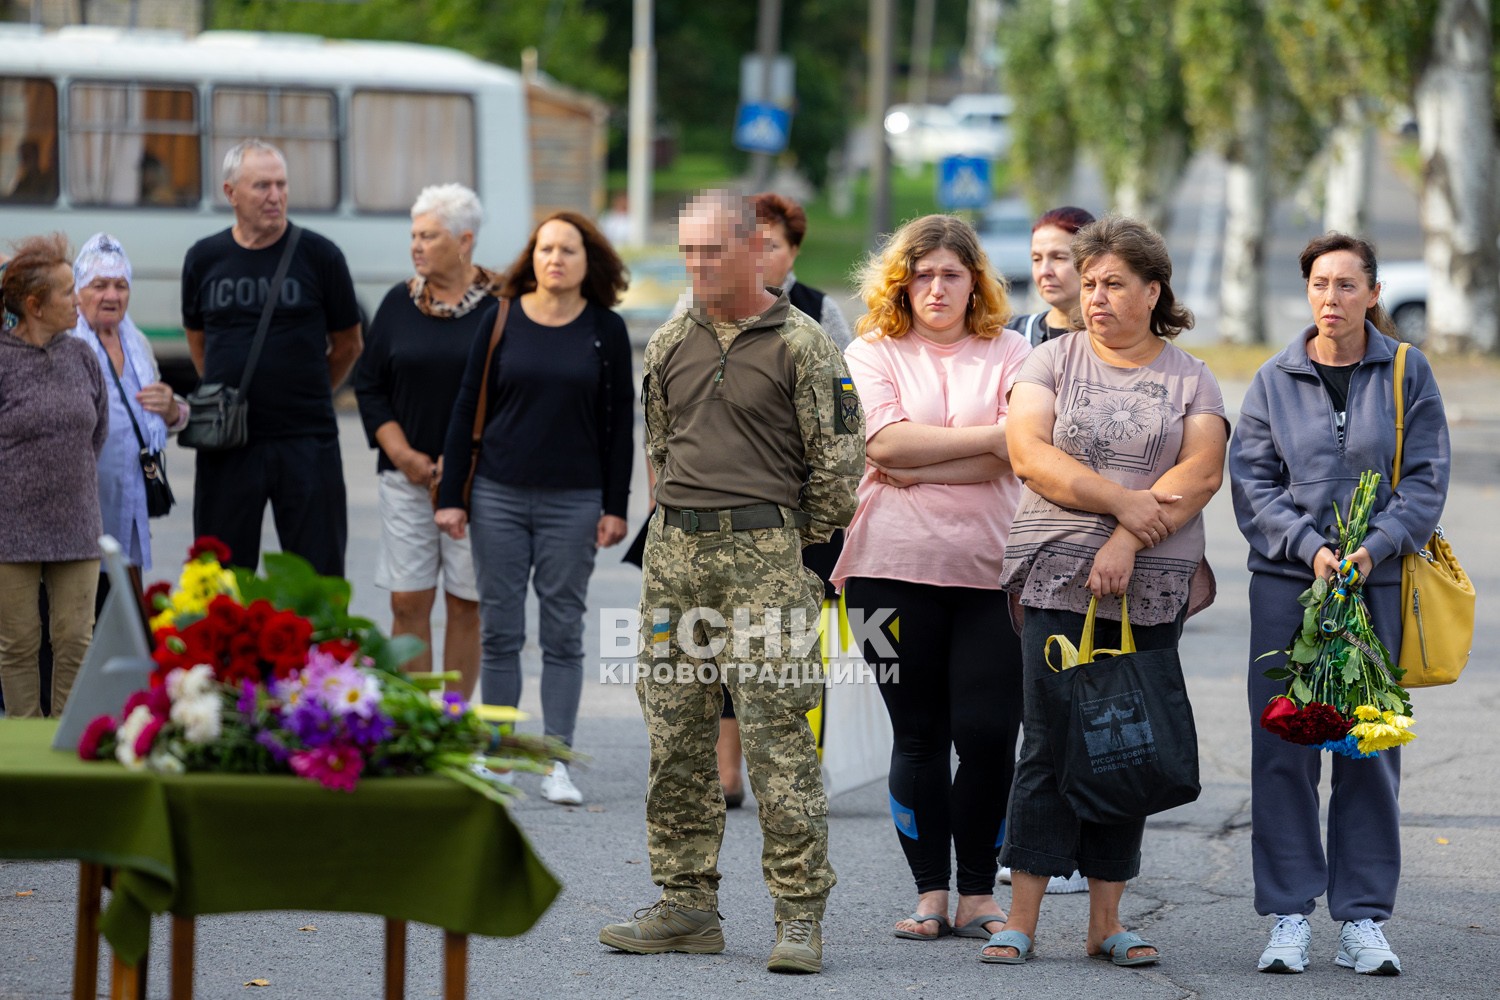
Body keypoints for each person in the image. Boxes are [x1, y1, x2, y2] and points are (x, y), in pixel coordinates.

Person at [596, 190, 863, 975]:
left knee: (779, 739)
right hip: (674, 562)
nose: (697, 264)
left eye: (711, 250)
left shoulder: (804, 343)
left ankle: (799, 916)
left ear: (752, 248)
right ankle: (686, 905)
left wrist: (781, 545)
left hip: (765, 561)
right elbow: (661, 447)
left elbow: (839, 470)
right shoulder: (670, 339)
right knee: (675, 736)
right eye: (686, 250)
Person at [991, 216, 1228, 967]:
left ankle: (1106, 924)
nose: (1095, 297)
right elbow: (1029, 455)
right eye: (1089, 283)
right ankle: (1020, 921)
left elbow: (1202, 471)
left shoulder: (1191, 376)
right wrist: (1123, 504)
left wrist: (1128, 538)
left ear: (1153, 291)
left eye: (1114, 284)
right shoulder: (1051, 361)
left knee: (1124, 745)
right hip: (1058, 580)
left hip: (1149, 587)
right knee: (1047, 743)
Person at [1228, 233, 1448, 977]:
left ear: (1373, 294)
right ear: (1307, 292)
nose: (1332, 298)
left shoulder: (1408, 371)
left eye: (1347, 285)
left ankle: (1362, 918)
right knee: (1285, 750)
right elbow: (1253, 483)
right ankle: (1289, 913)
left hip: (1375, 587)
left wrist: (1374, 547)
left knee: (1369, 752)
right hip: (1287, 587)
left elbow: (1426, 478)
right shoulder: (1273, 378)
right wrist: (1308, 547)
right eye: (1320, 284)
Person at [831, 214, 1030, 944]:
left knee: (988, 735)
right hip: (888, 569)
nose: (936, 288)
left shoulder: (1013, 350)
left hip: (992, 572)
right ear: (900, 284)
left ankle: (978, 893)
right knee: (917, 734)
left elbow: (1022, 450)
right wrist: (989, 442)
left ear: (976, 281)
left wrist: (922, 462)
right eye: (921, 275)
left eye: (951, 273)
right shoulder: (870, 350)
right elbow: (882, 443)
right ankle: (931, 894)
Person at [435, 211, 633, 806]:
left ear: (587, 261)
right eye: (546, 249)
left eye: (568, 250)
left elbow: (618, 427)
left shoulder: (605, 329)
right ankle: (498, 756)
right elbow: (465, 406)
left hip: (574, 502)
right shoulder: (500, 318)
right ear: (532, 257)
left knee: (563, 633)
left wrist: (615, 506)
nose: (556, 259)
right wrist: (452, 497)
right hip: (497, 494)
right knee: (500, 631)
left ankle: (556, 763)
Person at [715, 191, 852, 808]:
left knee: (793, 635)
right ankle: (726, 769)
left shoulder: (822, 311)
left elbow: (848, 403)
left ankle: (793, 766)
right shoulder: (705, 304)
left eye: (768, 244)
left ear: (793, 251)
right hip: (724, 493)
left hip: (800, 500)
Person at [181, 138, 362, 576]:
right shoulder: (204, 258)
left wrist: (310, 391)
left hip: (307, 439)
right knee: (221, 574)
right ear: (231, 193)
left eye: (281, 184)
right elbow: (199, 341)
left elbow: (349, 343)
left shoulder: (321, 256)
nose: (275, 196)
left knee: (317, 577)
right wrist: (229, 398)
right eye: (262, 186)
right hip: (228, 443)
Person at [354, 184, 500, 697]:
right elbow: (369, 386)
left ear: (464, 241)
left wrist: (463, 462)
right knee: (407, 602)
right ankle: (415, 719)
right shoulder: (399, 302)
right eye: (414, 235)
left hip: (477, 482)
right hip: (406, 478)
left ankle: (454, 720)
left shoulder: (502, 307)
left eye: (429, 236)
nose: (416, 245)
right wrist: (403, 455)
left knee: (466, 603)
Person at [0, 234, 107, 717]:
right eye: (67, 291)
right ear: (34, 305)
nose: (78, 299)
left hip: (77, 525)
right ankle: (25, 740)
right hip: (10, 531)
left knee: (75, 641)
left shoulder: (81, 355)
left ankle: (65, 738)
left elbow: (97, 431)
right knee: (18, 645)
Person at [68, 234, 188, 598]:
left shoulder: (137, 343)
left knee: (125, 606)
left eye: (121, 285)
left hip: (129, 509)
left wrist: (173, 410)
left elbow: (156, 417)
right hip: (79, 509)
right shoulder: (66, 344)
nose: (112, 295)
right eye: (99, 285)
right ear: (78, 292)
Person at [1007, 206, 1096, 347]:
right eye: (1036, 259)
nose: (1044, 271)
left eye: (1058, 258)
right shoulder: (1013, 335)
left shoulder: (1117, 338)